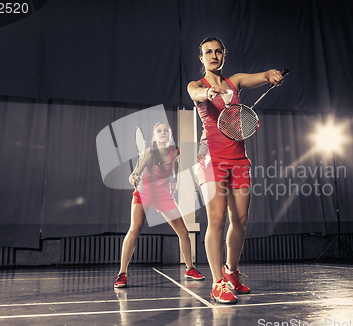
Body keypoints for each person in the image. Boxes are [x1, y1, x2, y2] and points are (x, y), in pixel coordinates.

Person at [187, 37, 284, 303]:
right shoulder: (197, 85)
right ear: (202, 58)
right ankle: (218, 283)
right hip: (211, 159)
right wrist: (206, 94)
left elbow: (262, 76)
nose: (214, 55)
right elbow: (195, 94)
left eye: (218, 51)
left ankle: (231, 273)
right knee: (216, 220)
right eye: (208, 52)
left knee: (240, 220)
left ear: (224, 55)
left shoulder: (235, 81)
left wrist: (271, 75)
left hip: (238, 158)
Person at [114, 122, 204, 287]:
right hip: (144, 193)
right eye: (159, 131)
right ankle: (122, 274)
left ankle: (190, 268)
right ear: (154, 137)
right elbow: (133, 174)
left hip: (164, 195)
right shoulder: (148, 154)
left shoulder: (175, 150)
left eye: (165, 131)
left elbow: (175, 164)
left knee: (184, 232)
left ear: (169, 134)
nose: (163, 133)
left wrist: (176, 179)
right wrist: (133, 178)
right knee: (135, 228)